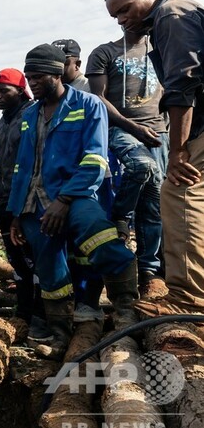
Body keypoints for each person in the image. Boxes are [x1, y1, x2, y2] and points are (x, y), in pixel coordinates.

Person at [8, 43, 137, 359]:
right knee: (50, 270)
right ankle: (61, 336)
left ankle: (125, 310)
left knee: (103, 240)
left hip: (76, 195)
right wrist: (15, 214)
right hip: (34, 203)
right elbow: (22, 166)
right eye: (28, 77)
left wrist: (64, 200)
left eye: (37, 77)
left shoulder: (89, 105)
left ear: (55, 74)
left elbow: (95, 158)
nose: (32, 83)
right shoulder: (29, 115)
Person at [104, 0, 204, 315]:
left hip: (193, 133)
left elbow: (183, 86)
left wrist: (177, 151)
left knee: (178, 195)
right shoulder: (171, 14)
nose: (121, 20)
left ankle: (188, 301)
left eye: (125, 9)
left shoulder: (171, 16)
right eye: (116, 15)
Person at [86, 28, 167, 298]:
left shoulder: (161, 49)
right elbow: (98, 98)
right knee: (141, 167)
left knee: (155, 203)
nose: (123, 18)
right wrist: (133, 127)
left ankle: (148, 272)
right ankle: (121, 215)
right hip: (122, 129)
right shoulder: (104, 52)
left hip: (160, 132)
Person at [0, 69, 48, 340]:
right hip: (3, 201)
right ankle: (23, 311)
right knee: (17, 263)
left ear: (20, 91)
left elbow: (29, 165)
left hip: (23, 205)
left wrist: (19, 208)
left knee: (32, 261)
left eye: (4, 91)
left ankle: (40, 315)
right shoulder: (3, 120)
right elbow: (0, 163)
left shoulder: (30, 115)